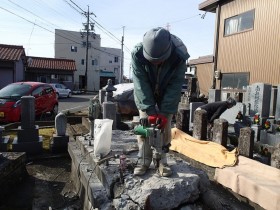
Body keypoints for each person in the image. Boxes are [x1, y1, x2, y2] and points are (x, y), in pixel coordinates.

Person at [131, 27, 190, 177]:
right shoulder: (137, 54)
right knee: (144, 122)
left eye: (159, 61)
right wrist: (149, 110)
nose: (156, 64)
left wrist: (164, 113)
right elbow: (140, 84)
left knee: (165, 125)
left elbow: (175, 85)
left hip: (167, 89)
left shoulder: (179, 56)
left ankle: (162, 160)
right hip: (147, 89)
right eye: (152, 61)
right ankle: (143, 159)